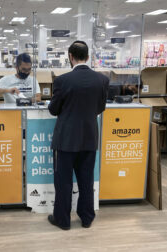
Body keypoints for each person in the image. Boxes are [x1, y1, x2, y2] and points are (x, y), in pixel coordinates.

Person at [47, 41, 109, 230]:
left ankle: (63, 221)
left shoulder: (62, 80)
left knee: (63, 182)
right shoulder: (102, 80)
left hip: (65, 140)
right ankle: (87, 218)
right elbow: (100, 108)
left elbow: (53, 109)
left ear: (70, 57)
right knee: (86, 180)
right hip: (89, 138)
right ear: (88, 57)